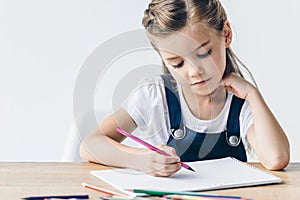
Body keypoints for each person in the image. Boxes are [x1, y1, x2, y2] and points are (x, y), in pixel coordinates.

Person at [80, 0, 290, 177]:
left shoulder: (239, 102)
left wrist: (253, 95)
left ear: (226, 34)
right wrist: (140, 160)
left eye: (203, 53)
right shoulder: (155, 96)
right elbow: (90, 144)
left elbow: (276, 158)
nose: (194, 71)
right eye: (177, 63)